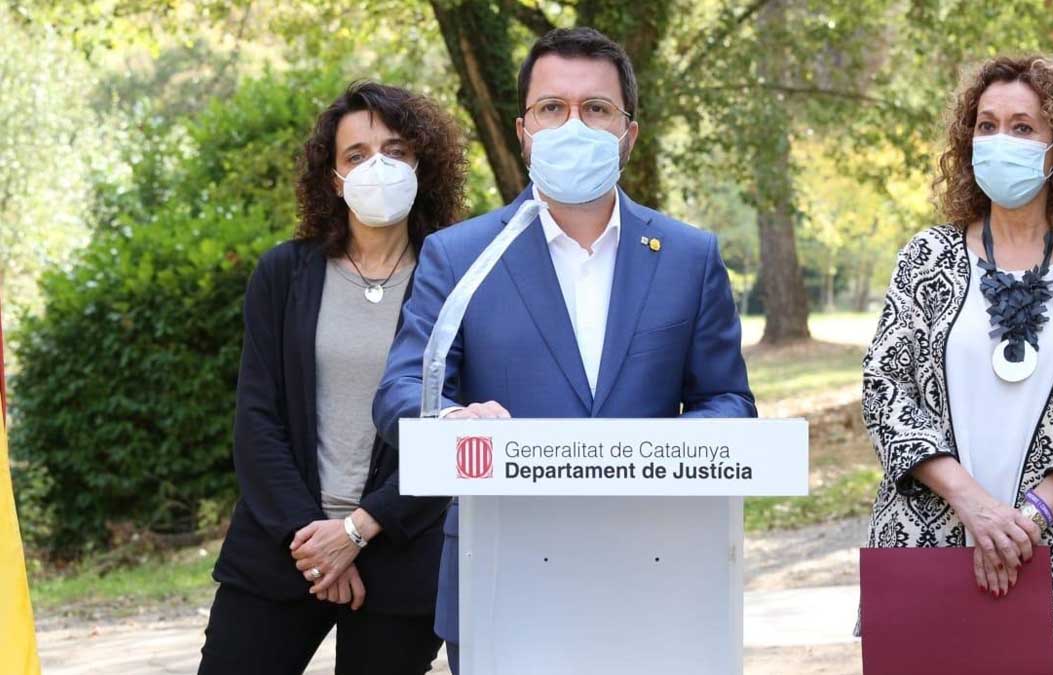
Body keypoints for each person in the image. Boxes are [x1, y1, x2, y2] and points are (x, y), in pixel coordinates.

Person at [373, 27, 756, 674]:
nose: (573, 124)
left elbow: (728, 400)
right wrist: (447, 420)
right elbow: (403, 388)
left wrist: (669, 451)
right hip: (501, 578)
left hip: (655, 575)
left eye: (596, 108)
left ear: (629, 132)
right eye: (553, 108)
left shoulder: (690, 258)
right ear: (524, 130)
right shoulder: (460, 256)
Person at [860, 55, 1053, 674]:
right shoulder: (926, 258)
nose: (1001, 141)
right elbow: (886, 390)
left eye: (1023, 127)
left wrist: (1028, 518)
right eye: (987, 125)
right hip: (926, 551)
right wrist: (975, 505)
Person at [199, 81, 467, 675]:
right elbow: (257, 420)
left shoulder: (457, 284)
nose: (378, 166)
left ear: (424, 164)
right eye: (357, 155)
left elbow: (453, 434)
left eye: (396, 151)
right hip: (284, 549)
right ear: (333, 176)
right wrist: (318, 543)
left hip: (401, 551)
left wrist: (359, 530)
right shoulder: (283, 274)